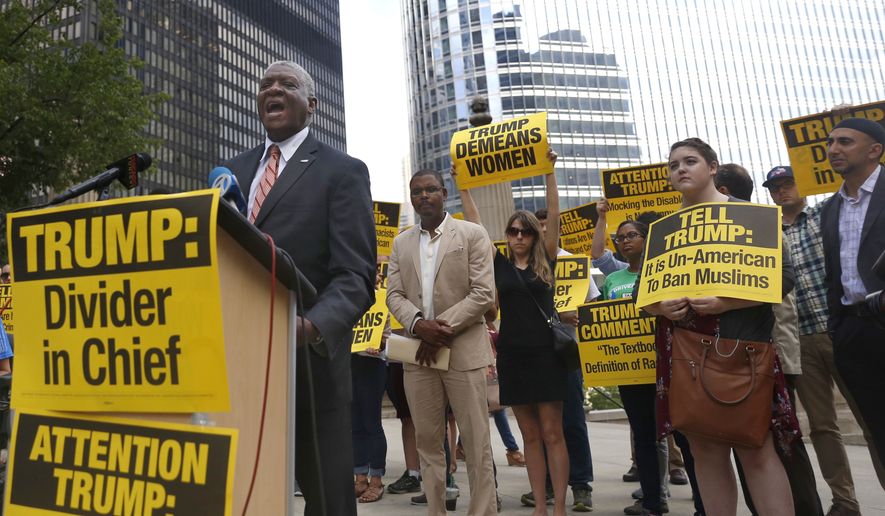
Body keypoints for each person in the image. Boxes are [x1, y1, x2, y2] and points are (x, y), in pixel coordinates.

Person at [223, 60, 376, 516]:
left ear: (310, 104)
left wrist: (311, 327)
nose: (272, 90)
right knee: (243, 494)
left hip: (309, 366)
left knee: (327, 499)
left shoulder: (341, 171)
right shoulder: (230, 170)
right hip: (238, 363)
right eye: (265, 85)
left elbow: (355, 275)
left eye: (286, 84)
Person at [644, 137, 797, 516]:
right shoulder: (665, 228)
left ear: (712, 167)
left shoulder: (749, 215)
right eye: (673, 163)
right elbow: (643, 296)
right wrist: (661, 306)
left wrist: (725, 302)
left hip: (741, 349)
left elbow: (785, 277)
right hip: (684, 354)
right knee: (704, 451)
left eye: (690, 161)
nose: (680, 168)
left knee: (755, 447)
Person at [459, 150, 572, 516]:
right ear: (506, 235)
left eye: (525, 231)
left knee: (553, 434)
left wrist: (549, 174)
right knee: (531, 436)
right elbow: (474, 223)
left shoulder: (547, 257)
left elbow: (553, 216)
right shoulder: (499, 263)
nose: (519, 236)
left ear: (535, 235)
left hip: (547, 355)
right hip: (512, 356)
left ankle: (558, 508)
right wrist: (463, 185)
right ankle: (539, 505)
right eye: (513, 231)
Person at [386, 169, 498, 516]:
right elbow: (394, 294)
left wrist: (440, 328)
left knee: (476, 440)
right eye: (416, 191)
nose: (423, 196)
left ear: (444, 192)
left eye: (430, 189)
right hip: (419, 355)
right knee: (428, 442)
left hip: (463, 349)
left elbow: (484, 293)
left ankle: (481, 511)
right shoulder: (401, 242)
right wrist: (419, 325)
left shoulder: (472, 234)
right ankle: (436, 509)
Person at [717, 164, 823, 516]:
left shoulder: (758, 223)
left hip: (770, 353)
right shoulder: (717, 232)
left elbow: (784, 281)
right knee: (746, 442)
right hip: (735, 357)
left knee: (783, 442)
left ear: (725, 189)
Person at [766, 164, 870, 513]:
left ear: (804, 185)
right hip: (800, 340)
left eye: (788, 183)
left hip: (842, 329)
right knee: (823, 427)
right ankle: (844, 500)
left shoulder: (828, 214)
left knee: (871, 416)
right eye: (774, 187)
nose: (781, 191)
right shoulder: (766, 232)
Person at [511, 207, 595, 513]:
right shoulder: (517, 266)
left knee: (570, 423)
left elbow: (593, 307)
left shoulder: (569, 261)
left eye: (548, 226)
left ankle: (581, 486)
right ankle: (545, 486)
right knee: (538, 428)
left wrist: (576, 316)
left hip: (563, 353)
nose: (545, 231)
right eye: (540, 226)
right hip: (529, 354)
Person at [820, 117, 885, 481]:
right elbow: (836, 275)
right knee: (878, 429)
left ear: (875, 150)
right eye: (831, 142)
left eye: (845, 141)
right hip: (852, 332)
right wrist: (838, 328)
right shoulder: (831, 208)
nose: (833, 149)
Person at [601, 218, 667, 516]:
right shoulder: (613, 280)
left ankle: (704, 504)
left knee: (681, 436)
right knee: (643, 436)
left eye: (632, 235)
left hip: (664, 365)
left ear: (646, 238)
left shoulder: (662, 271)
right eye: (620, 238)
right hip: (628, 368)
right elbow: (603, 318)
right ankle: (653, 502)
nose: (625, 241)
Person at [352, 258, 391, 504]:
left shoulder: (382, 299)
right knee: (355, 422)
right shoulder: (349, 298)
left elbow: (387, 337)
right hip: (350, 363)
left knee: (371, 422)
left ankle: (376, 479)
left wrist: (380, 344)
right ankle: (359, 477)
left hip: (373, 365)